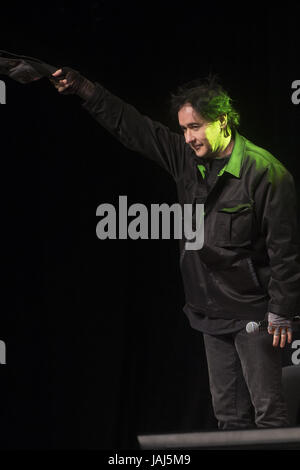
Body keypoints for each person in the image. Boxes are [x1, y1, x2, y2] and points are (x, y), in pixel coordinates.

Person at [50, 67, 300, 430]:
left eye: (195, 126)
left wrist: (281, 311)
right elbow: (133, 127)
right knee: (228, 418)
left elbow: (286, 251)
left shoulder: (266, 173)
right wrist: (85, 89)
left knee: (269, 415)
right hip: (209, 309)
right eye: (183, 128)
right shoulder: (185, 160)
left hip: (254, 313)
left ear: (223, 121)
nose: (188, 137)